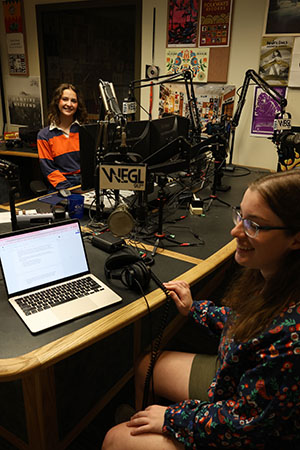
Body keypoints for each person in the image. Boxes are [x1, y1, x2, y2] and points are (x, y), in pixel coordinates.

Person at [102, 170, 300, 449]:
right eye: (240, 216)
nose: (236, 231)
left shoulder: (292, 339)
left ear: (295, 239)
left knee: (114, 439)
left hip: (251, 430)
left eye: (254, 225)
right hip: (234, 379)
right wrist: (196, 309)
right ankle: (141, 421)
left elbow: (246, 423)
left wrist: (172, 418)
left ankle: (135, 433)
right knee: (147, 365)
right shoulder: (272, 274)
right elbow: (249, 324)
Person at [37, 83, 88, 191]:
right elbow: (48, 168)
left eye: (73, 101)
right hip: (59, 186)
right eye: (65, 99)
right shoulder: (44, 135)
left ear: (78, 105)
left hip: (84, 183)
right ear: (57, 101)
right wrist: (66, 189)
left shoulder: (85, 131)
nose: (69, 104)